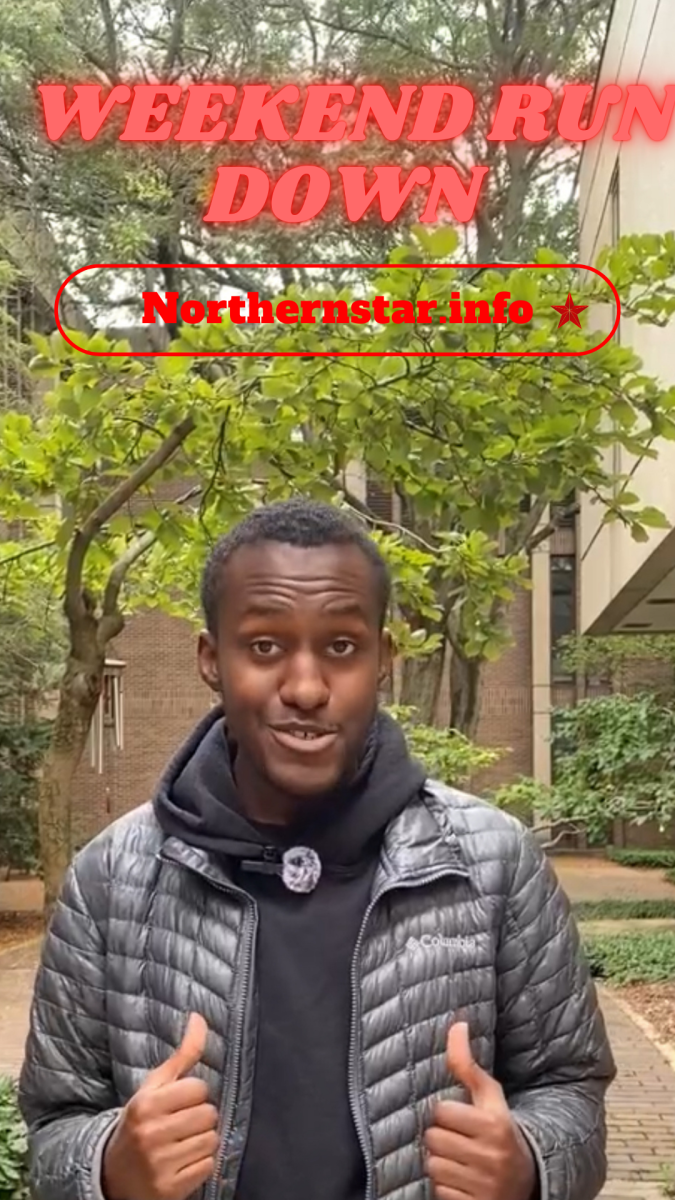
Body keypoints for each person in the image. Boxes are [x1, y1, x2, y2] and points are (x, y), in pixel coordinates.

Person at [19, 497, 616, 1200]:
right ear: (212, 659)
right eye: (264, 646)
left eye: (340, 647)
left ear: (383, 659)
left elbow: (569, 1088)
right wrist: (108, 1165)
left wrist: (528, 1161)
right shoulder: (111, 877)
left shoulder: (492, 862)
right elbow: (54, 1120)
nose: (305, 688)